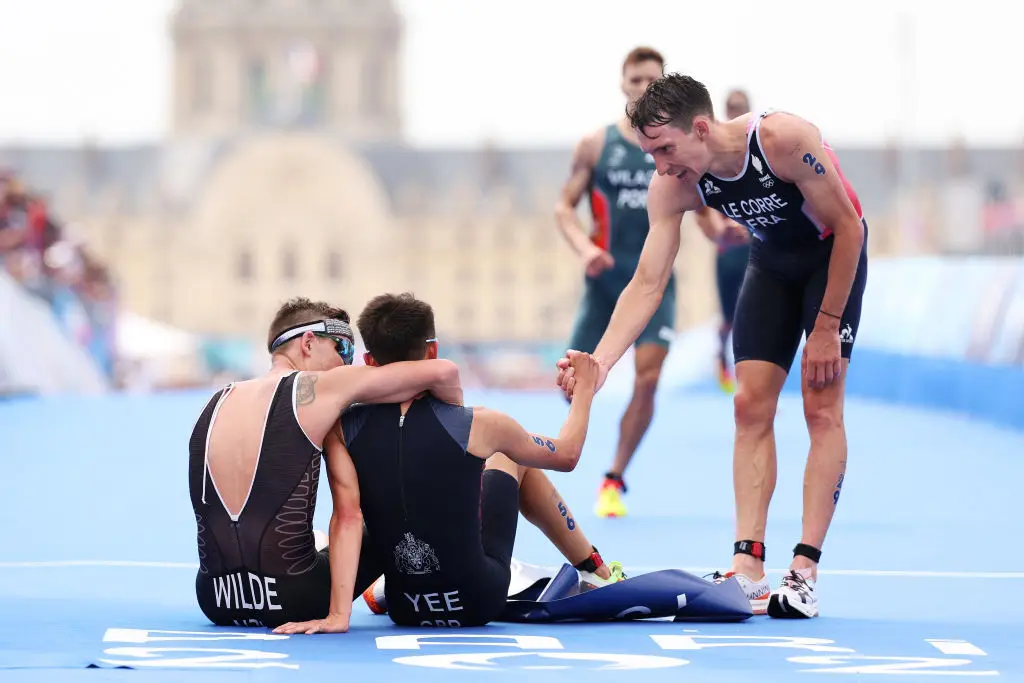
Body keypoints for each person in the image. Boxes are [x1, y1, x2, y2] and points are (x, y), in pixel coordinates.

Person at [556, 73, 869, 619]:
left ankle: (805, 568)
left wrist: (825, 325)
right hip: (770, 265)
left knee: (821, 408)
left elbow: (849, 228)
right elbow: (647, 283)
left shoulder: (783, 141)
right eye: (650, 153)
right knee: (749, 407)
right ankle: (748, 566)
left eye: (665, 150)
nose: (659, 166)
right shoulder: (675, 185)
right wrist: (601, 364)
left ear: (701, 129)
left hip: (831, 262)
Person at [273, 293, 623, 634]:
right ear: (433, 351)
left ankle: (385, 581)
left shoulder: (343, 428)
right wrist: (585, 391)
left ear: (368, 361)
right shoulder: (482, 423)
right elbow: (567, 454)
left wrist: (338, 615)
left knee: (383, 500)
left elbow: (347, 517)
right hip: (478, 600)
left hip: (405, 606)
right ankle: (596, 570)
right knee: (507, 453)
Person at [188, 297, 465, 629]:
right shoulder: (315, 388)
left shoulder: (217, 400)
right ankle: (402, 589)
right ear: (308, 343)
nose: (346, 365)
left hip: (216, 599)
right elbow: (444, 371)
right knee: (394, 522)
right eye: (343, 351)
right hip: (295, 597)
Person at [554, 46, 673, 519]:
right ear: (624, 85)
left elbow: (700, 206)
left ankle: (614, 476)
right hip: (605, 278)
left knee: (648, 379)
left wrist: (723, 228)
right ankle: (560, 462)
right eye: (636, 80)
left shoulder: (672, 148)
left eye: (653, 81)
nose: (644, 88)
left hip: (658, 280)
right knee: (570, 381)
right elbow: (564, 207)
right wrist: (586, 250)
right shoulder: (596, 145)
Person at [694, 89, 754, 393]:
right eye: (731, 107)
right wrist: (723, 229)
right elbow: (703, 204)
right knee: (729, 316)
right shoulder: (712, 154)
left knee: (753, 311)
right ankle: (722, 356)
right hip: (727, 251)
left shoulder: (756, 148)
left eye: (741, 108)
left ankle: (751, 375)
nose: (735, 111)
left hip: (755, 249)